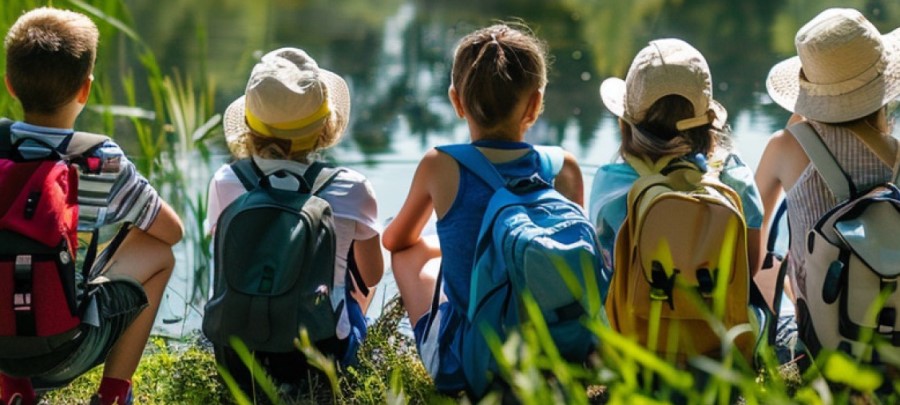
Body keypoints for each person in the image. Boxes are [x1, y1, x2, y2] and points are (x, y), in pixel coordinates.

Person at [382, 23, 585, 393]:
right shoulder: (564, 167)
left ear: (456, 101)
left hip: (472, 365)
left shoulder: (440, 164)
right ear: (535, 104)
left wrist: (440, 245)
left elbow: (395, 241)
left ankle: (451, 359)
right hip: (558, 354)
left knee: (410, 254)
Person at [0, 7, 183, 405]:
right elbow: (173, 231)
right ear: (85, 89)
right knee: (159, 252)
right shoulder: (100, 159)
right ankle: (113, 394)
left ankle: (13, 386)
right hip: (65, 348)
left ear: (10, 84)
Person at [205, 47, 383, 388]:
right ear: (325, 126)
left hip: (239, 354)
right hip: (321, 357)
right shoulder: (352, 187)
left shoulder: (226, 182)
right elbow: (372, 274)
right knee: (351, 282)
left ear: (250, 125)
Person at [755, 8, 899, 359]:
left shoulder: (784, 147)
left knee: (769, 275)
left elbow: (749, 255)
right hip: (894, 339)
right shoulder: (897, 155)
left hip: (820, 344)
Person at [589, 38, 763, 277]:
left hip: (631, 302)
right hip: (718, 302)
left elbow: (607, 265)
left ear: (626, 124)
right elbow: (750, 268)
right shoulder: (734, 176)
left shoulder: (611, 184)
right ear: (707, 124)